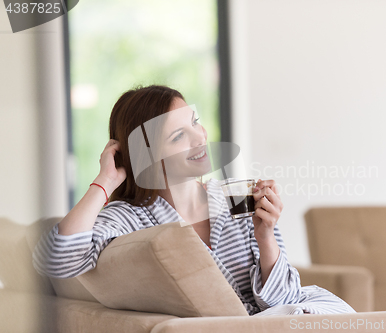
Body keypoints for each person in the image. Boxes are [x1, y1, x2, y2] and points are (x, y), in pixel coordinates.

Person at [32, 84, 356, 316]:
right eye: (178, 136)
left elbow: (286, 296)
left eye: (194, 123)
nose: (199, 138)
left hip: (289, 315)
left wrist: (266, 235)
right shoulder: (127, 217)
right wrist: (105, 180)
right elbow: (54, 262)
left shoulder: (234, 197)